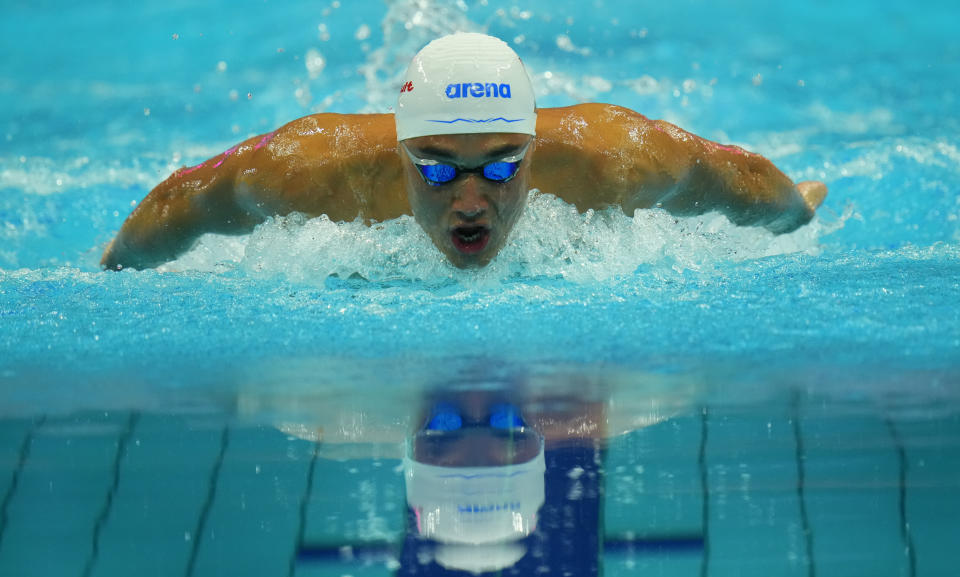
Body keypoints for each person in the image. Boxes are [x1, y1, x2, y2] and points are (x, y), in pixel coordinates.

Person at [101, 32, 828, 271]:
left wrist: (797, 215)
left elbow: (734, 173)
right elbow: (183, 198)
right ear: (401, 151)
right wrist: (106, 276)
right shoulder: (307, 170)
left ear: (537, 148)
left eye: (504, 166)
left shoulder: (617, 159)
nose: (472, 201)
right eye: (441, 169)